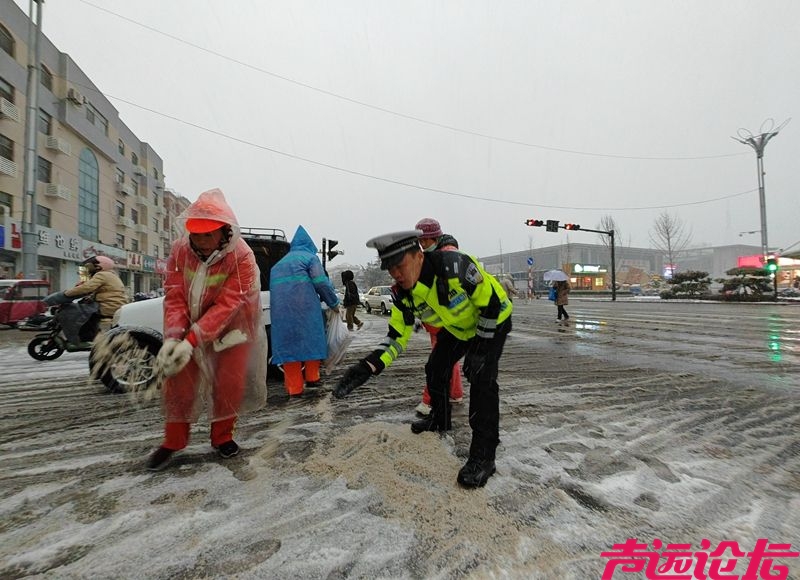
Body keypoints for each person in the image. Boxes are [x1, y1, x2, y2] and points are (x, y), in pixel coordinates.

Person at [334, 230, 512, 488]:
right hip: (459, 328)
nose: (395, 273)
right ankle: (440, 419)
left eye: (399, 265)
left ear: (419, 256)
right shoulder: (404, 295)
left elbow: (492, 304)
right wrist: (368, 366)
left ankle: (484, 457)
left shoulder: (456, 267)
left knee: (482, 378)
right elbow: (396, 337)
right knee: (436, 366)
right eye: (389, 268)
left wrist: (481, 350)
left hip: (493, 321)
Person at [147, 188, 267, 471]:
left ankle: (222, 437)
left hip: (234, 330)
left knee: (229, 383)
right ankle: (173, 442)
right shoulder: (180, 250)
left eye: (207, 234)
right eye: (195, 234)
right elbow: (174, 294)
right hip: (191, 324)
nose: (200, 241)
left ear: (224, 232)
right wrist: (174, 337)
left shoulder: (242, 257)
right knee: (178, 382)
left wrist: (192, 339)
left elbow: (229, 304)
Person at [270, 225, 341, 399]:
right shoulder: (310, 259)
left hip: (281, 314)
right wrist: (334, 303)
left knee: (289, 349)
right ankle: (312, 378)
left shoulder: (277, 266)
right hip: (306, 310)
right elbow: (321, 283)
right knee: (312, 342)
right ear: (309, 245)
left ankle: (294, 388)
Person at [413, 218, 463, 417]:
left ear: (433, 238)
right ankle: (456, 393)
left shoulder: (445, 256)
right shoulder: (440, 253)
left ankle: (429, 400)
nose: (421, 245)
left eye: (423, 241)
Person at [49, 255, 128, 348]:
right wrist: (88, 295)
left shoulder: (102, 274)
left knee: (82, 315)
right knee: (83, 310)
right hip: (112, 304)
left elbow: (87, 288)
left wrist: (66, 294)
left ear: (99, 266)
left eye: (90, 266)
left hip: (109, 306)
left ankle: (86, 340)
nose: (87, 268)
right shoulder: (108, 274)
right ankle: (92, 337)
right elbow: (93, 288)